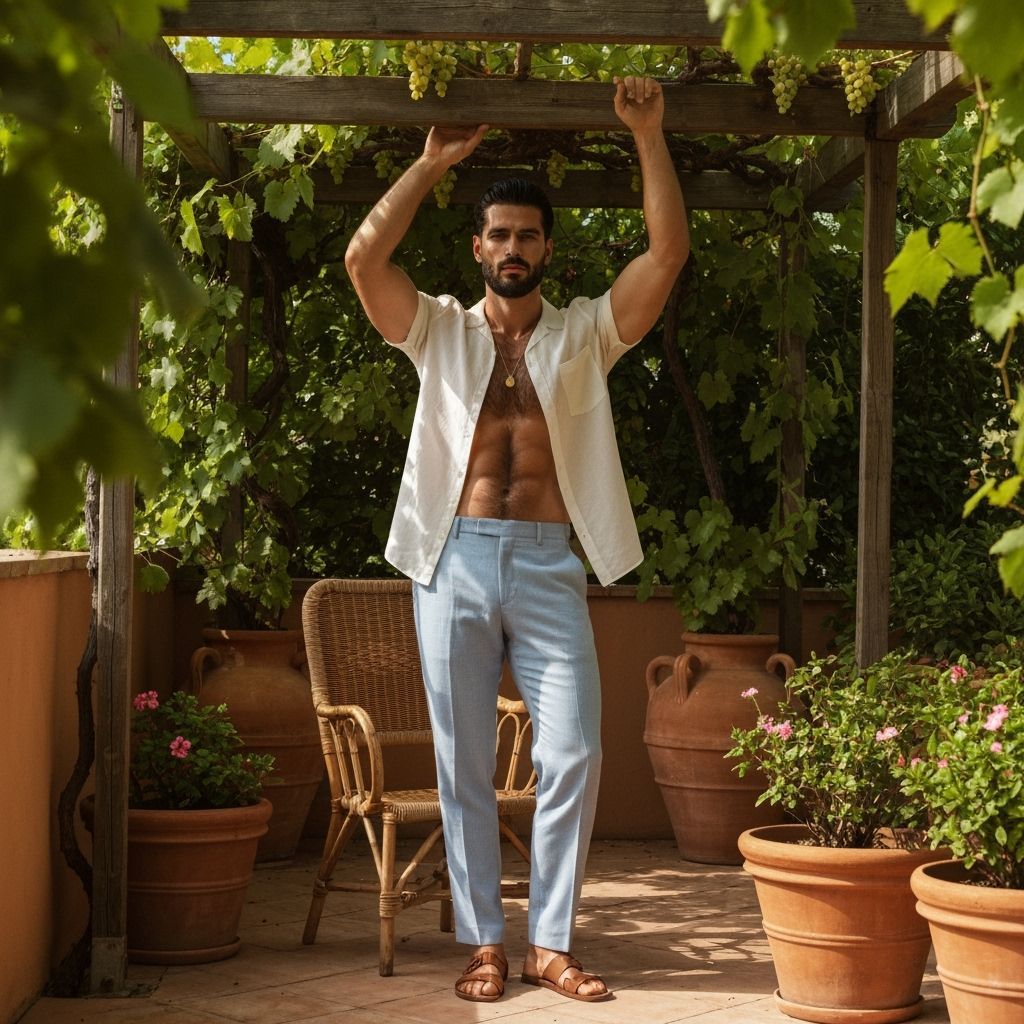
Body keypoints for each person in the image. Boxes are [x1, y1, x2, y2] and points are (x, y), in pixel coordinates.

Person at [345, 74, 688, 1004]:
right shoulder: (438, 333)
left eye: (527, 234)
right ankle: (485, 943)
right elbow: (363, 261)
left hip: (545, 564)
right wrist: (427, 164)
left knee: (574, 749)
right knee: (460, 757)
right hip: (451, 558)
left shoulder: (585, 336)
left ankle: (551, 941)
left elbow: (666, 253)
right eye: (497, 233)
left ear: (545, 249)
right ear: (479, 246)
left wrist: (647, 134)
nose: (511, 247)